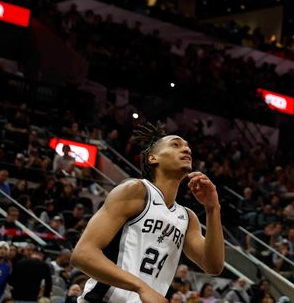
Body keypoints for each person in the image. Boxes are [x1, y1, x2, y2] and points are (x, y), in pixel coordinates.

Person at [71, 122, 225, 303]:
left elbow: (213, 266)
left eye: (188, 147)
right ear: (153, 158)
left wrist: (213, 208)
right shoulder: (136, 190)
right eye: (175, 145)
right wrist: (141, 287)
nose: (186, 149)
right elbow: (82, 254)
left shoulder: (187, 217)